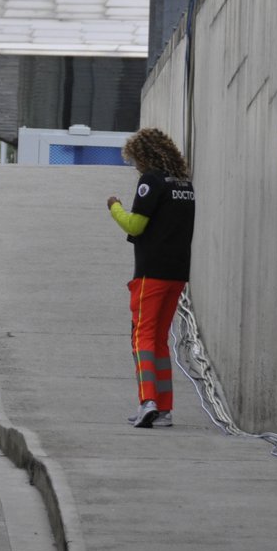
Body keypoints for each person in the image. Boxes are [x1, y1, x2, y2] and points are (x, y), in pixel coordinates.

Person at [105, 127, 195, 428]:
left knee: (141, 337)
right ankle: (165, 410)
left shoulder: (151, 181)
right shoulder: (184, 183)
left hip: (151, 272)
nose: (135, 167)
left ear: (144, 155)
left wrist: (114, 207)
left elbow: (135, 225)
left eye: (134, 160)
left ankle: (148, 402)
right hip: (177, 273)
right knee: (159, 340)